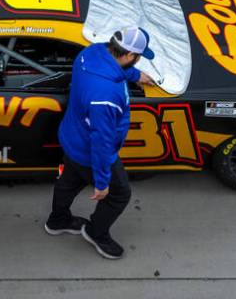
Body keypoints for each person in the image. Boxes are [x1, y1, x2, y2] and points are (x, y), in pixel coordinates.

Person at [45, 27, 155, 260]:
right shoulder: (105, 96)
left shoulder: (91, 53)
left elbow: (109, 69)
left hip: (72, 136)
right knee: (119, 194)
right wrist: (102, 183)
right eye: (138, 58)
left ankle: (57, 221)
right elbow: (102, 141)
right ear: (129, 56)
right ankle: (96, 232)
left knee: (68, 182)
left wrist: (134, 76)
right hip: (88, 150)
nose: (137, 61)